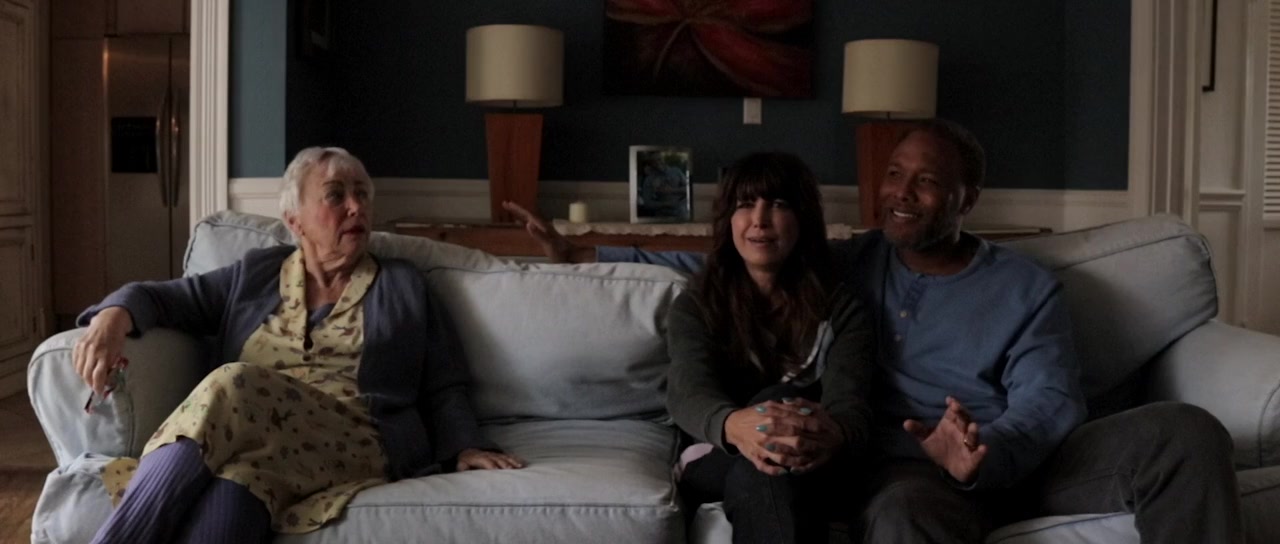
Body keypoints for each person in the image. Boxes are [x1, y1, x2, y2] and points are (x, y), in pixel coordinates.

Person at [503, 119, 1243, 543]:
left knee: (1186, 431)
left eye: (925, 181)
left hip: (1021, 457)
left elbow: (1051, 398)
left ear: (967, 199)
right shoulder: (857, 261)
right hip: (908, 470)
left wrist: (985, 452)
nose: (900, 194)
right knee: (902, 511)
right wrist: (582, 254)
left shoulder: (1023, 285)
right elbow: (736, 258)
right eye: (894, 175)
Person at [75, 147, 524, 544]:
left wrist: (464, 446)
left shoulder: (403, 285)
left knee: (234, 382)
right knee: (241, 480)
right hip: (265, 448)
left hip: (356, 437)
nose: (355, 206)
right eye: (335, 195)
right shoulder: (255, 274)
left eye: (362, 194)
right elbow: (163, 298)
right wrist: (112, 317)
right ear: (295, 220)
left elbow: (444, 383)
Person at [663, 152, 874, 544]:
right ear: (729, 219)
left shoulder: (841, 307)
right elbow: (688, 392)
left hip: (815, 454)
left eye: (778, 204)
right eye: (745, 204)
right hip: (716, 454)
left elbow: (851, 407)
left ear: (803, 218)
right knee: (769, 440)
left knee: (771, 460)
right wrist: (738, 426)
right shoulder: (697, 304)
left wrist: (820, 434)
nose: (759, 220)